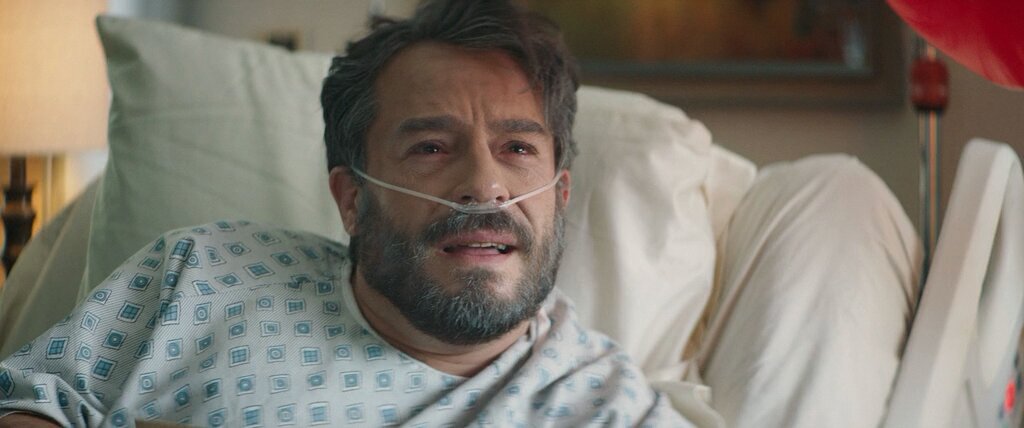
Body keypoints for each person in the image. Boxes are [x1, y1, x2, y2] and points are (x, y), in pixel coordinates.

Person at [0, 0, 694, 426]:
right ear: (352, 198)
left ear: (560, 197)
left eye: (517, 148)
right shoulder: (202, 274)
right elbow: (30, 399)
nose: (485, 185)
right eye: (431, 146)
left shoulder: (611, 410)